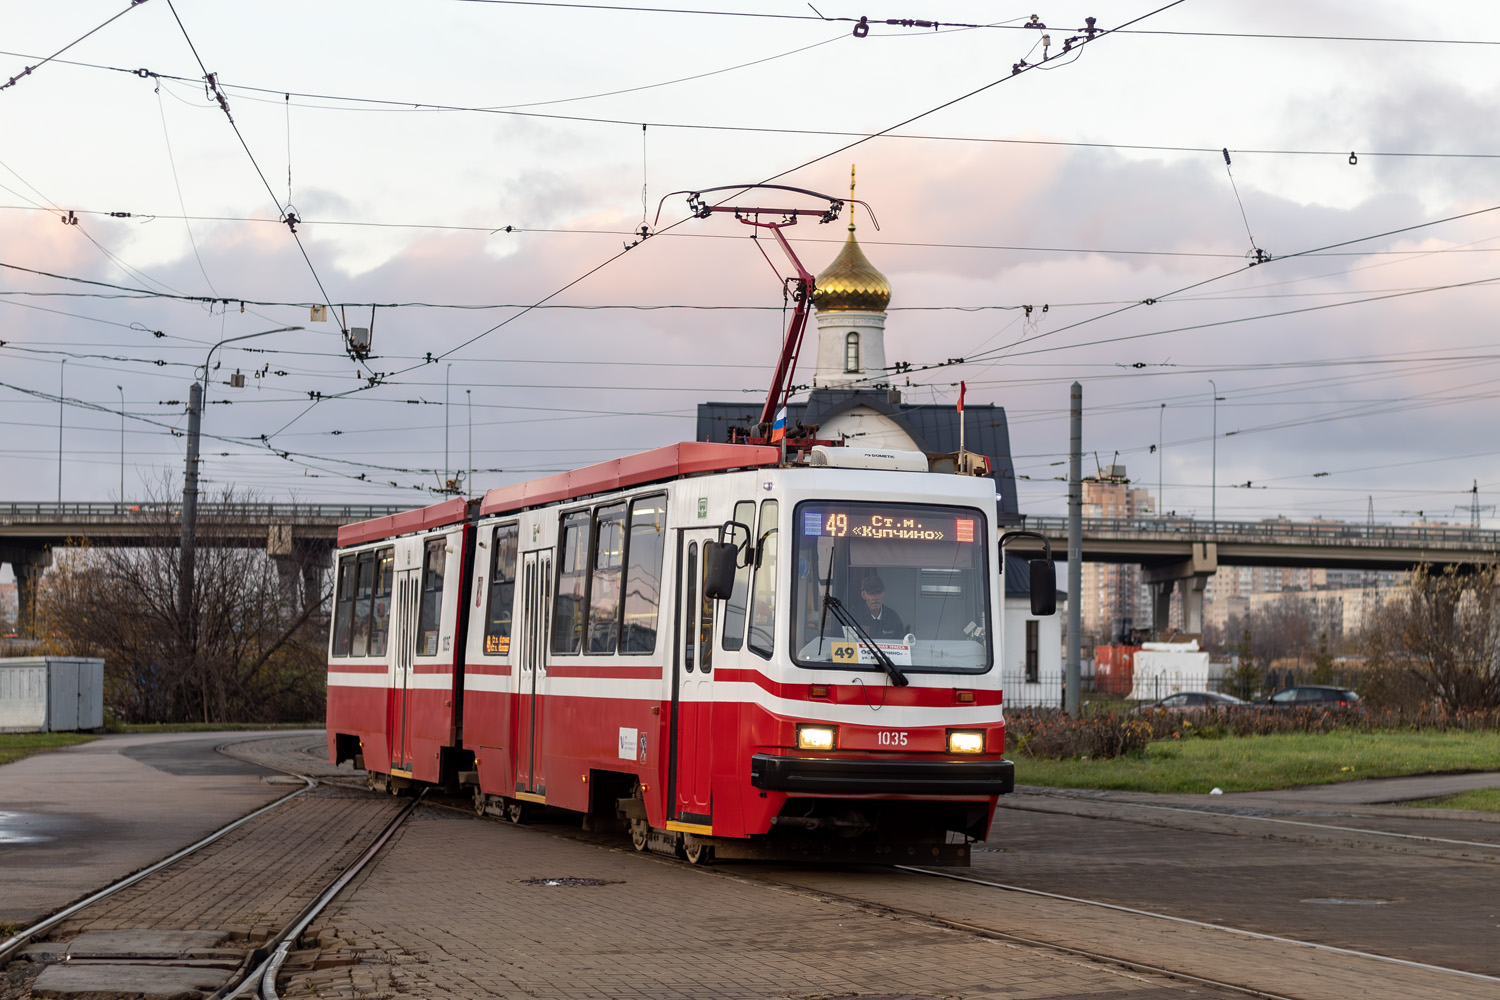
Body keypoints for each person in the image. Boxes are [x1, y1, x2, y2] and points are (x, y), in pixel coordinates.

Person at [855, 572, 906, 640]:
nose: (875, 597)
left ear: (883, 594)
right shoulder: (853, 616)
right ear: (863, 595)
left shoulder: (893, 618)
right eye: (871, 593)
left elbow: (902, 643)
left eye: (878, 592)